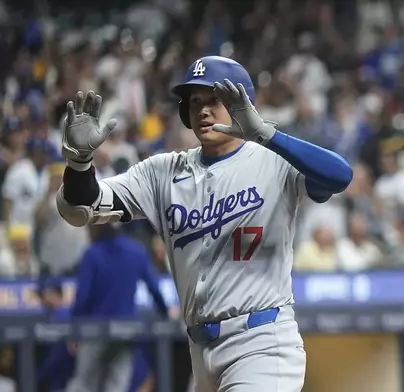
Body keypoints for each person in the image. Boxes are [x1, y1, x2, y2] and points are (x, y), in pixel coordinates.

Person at [56, 56, 353, 392]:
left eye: (215, 99)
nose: (203, 110)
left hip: (262, 343)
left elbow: (340, 175)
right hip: (200, 351)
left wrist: (267, 135)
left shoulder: (275, 161)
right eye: (195, 102)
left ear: (242, 105)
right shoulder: (162, 172)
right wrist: (79, 163)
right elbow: (83, 206)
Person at [65, 224, 169, 392]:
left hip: (94, 331)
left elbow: (82, 297)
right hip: (125, 332)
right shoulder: (136, 251)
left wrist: (74, 330)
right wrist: (165, 312)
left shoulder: (92, 253)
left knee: (84, 385)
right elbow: (154, 288)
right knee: (116, 386)